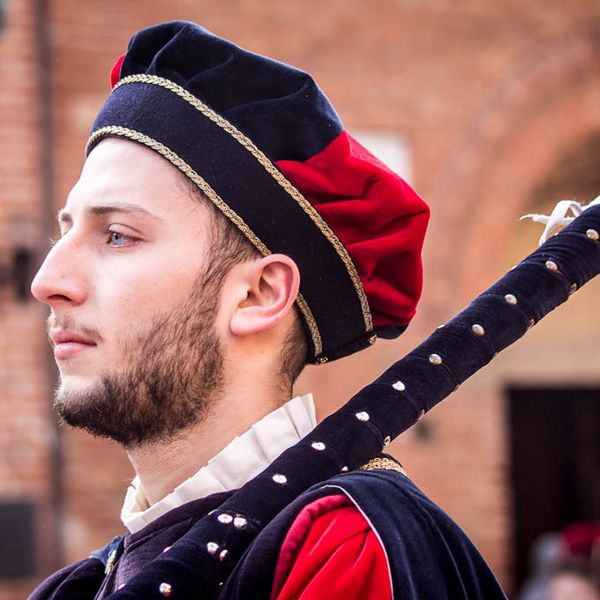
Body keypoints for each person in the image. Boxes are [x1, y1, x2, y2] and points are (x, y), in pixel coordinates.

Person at [28, 20, 507, 599]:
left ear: (259, 294)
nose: (47, 282)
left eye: (118, 236)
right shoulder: (80, 587)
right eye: (64, 231)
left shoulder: (342, 546)